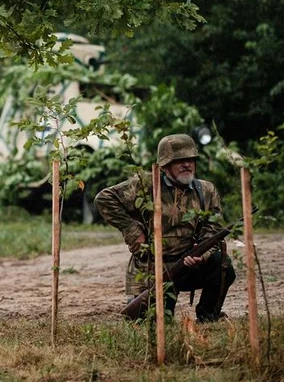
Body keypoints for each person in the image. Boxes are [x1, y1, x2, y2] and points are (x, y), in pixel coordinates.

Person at [94, 133, 237, 322]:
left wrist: (201, 255)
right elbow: (104, 199)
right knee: (153, 325)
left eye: (190, 159)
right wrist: (131, 229)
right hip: (152, 270)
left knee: (222, 263)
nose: (187, 164)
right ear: (165, 165)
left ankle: (208, 316)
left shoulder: (206, 190)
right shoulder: (146, 185)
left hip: (188, 267)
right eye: (179, 160)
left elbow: (213, 229)